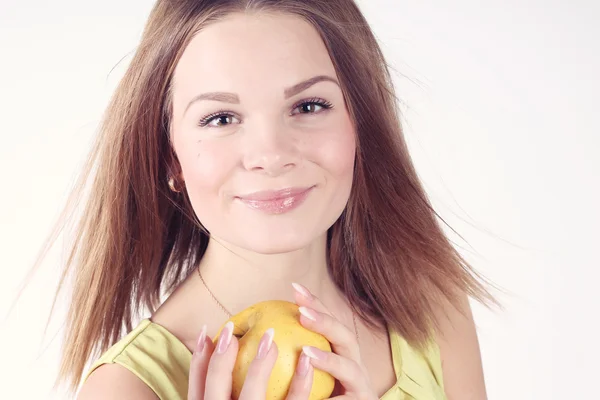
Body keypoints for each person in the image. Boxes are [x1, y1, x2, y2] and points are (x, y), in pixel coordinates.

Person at [50, 0, 495, 399]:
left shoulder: (430, 308)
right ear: (171, 158)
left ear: (362, 125)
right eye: (221, 117)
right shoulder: (125, 390)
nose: (271, 155)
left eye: (308, 106)